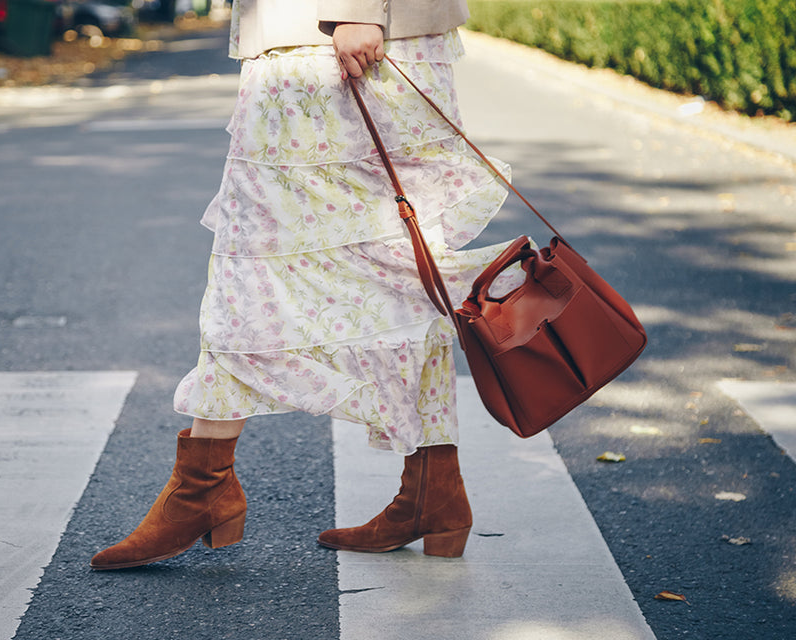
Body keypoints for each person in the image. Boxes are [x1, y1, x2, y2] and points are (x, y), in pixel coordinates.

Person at [89, 0, 519, 570]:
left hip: (327, 37)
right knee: (403, 272)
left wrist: (357, 9)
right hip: (355, 38)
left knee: (250, 267)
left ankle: (202, 488)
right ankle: (433, 492)